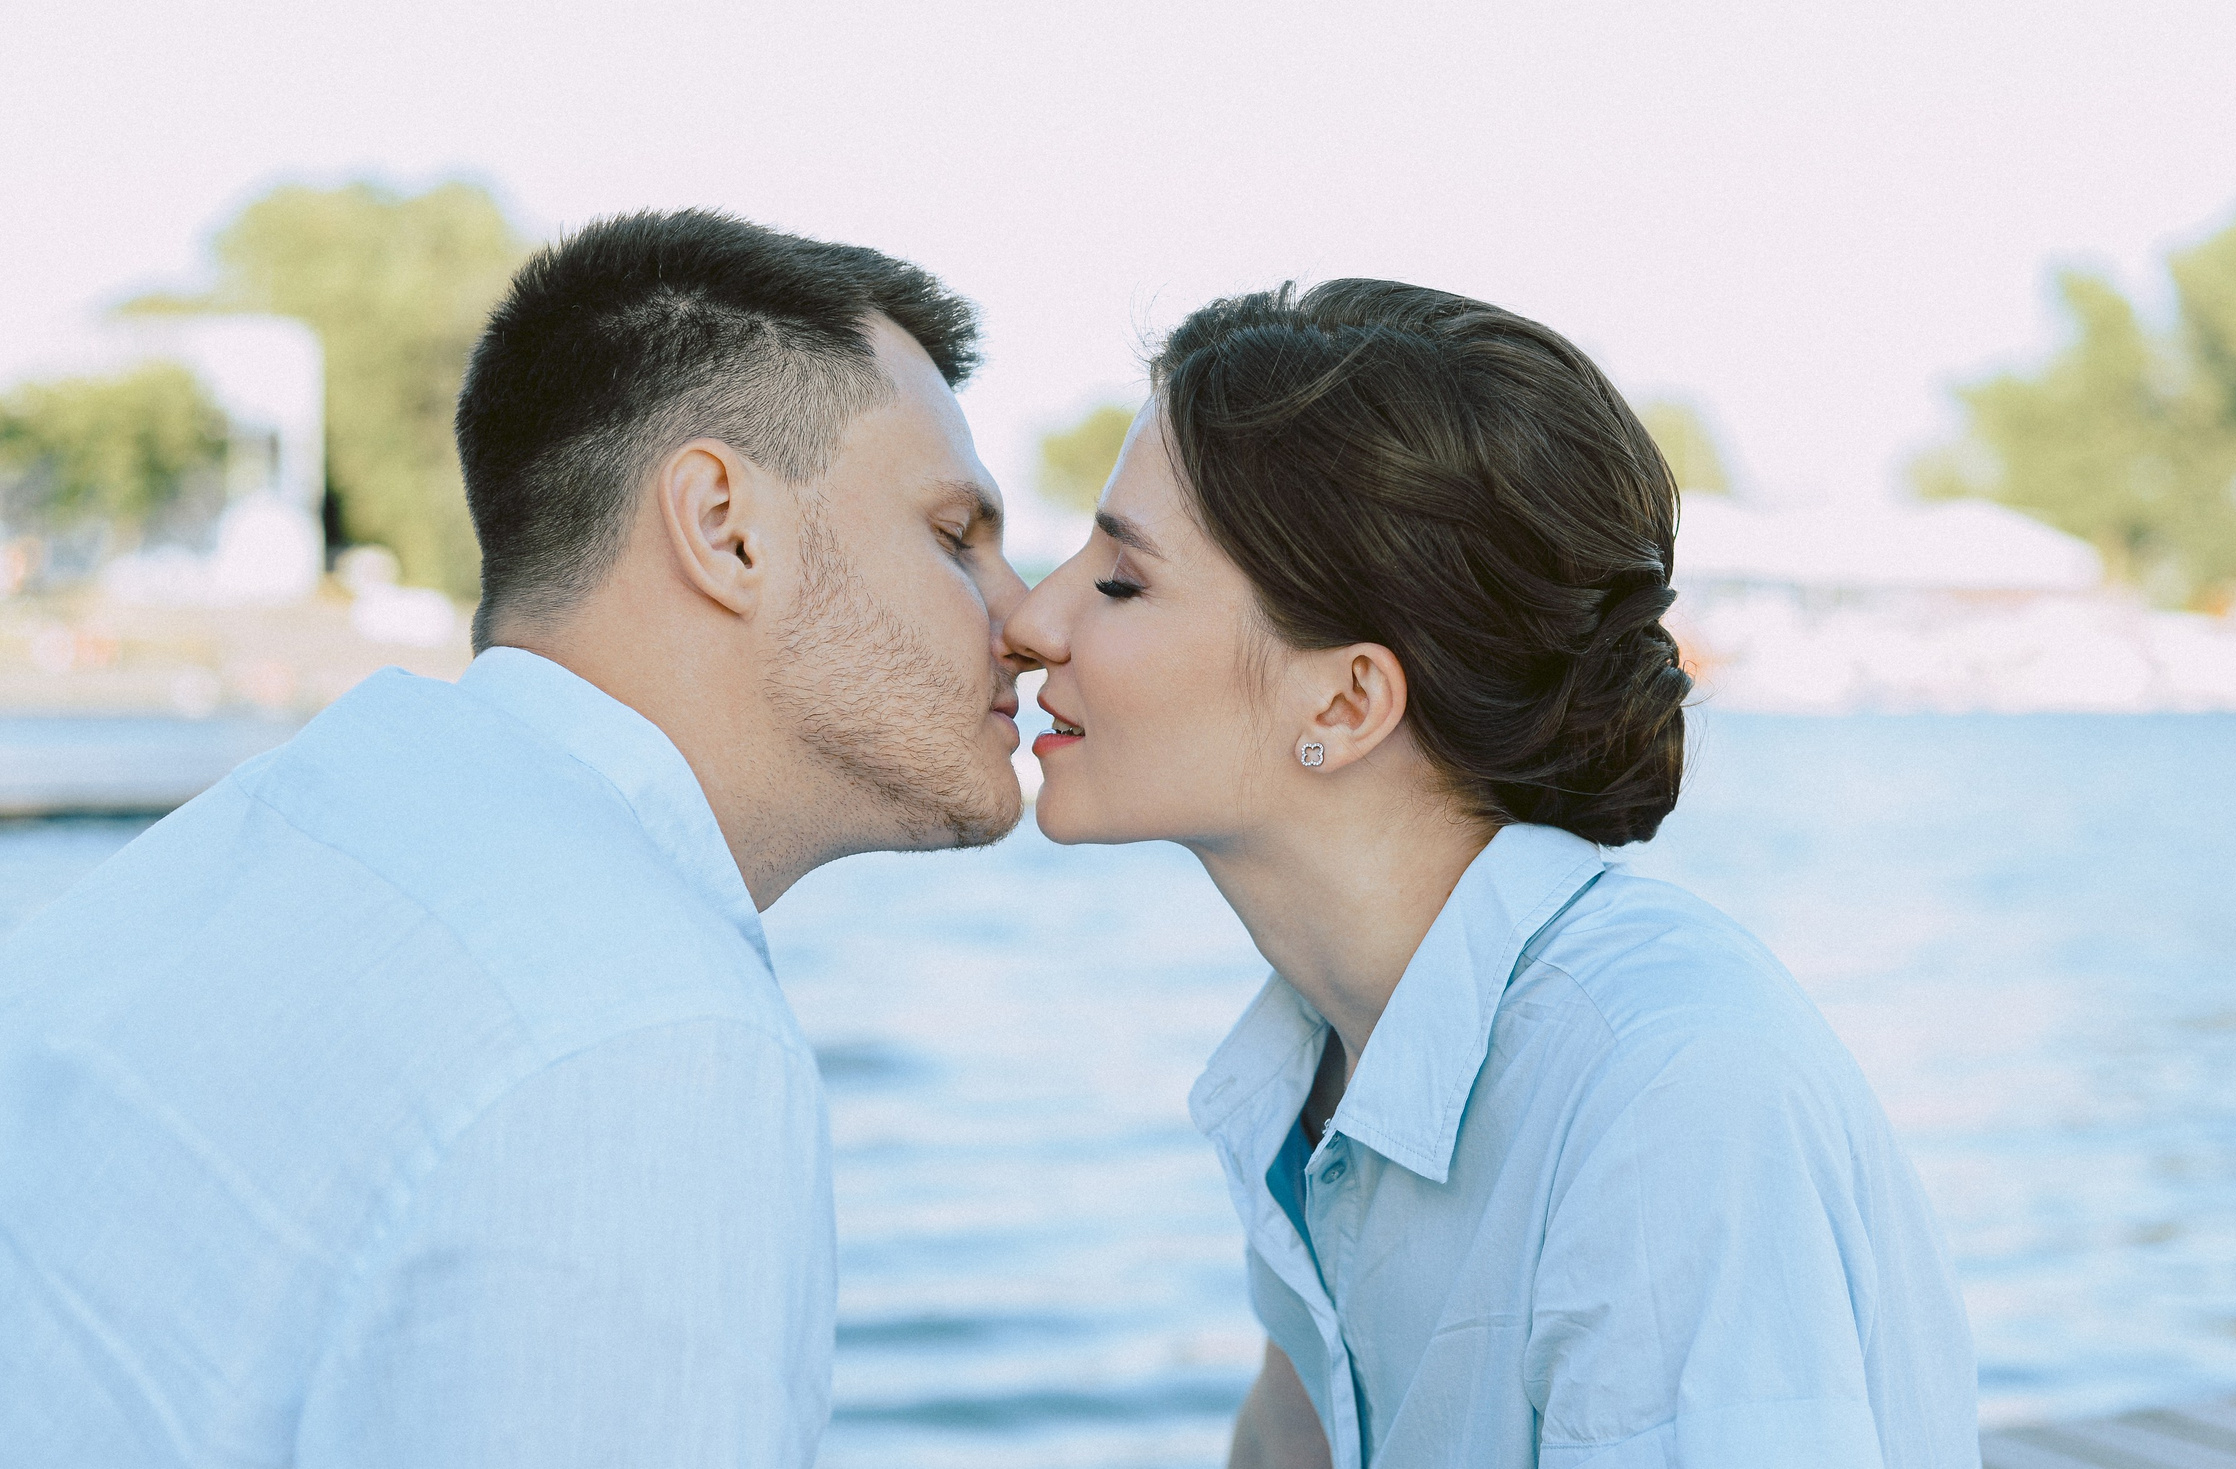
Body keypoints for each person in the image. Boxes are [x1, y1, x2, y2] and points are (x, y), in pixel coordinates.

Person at [0, 211, 1029, 1467]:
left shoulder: (285, 835)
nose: (1028, 617)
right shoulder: (645, 1033)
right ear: (725, 525)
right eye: (954, 534)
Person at [1004, 281, 1979, 1468]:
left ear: (1347, 698)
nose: (1031, 617)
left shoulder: (1668, 1093)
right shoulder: (1322, 1056)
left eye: (1121, 578)